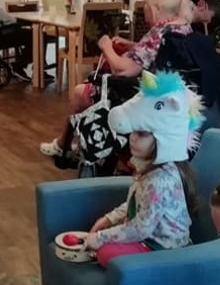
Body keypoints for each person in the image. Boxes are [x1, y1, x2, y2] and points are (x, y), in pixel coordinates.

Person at [39, 0, 194, 157]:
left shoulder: (158, 32)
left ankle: (63, 145)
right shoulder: (182, 29)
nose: (143, 7)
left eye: (144, 2)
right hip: (171, 98)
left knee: (79, 93)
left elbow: (123, 71)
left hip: (140, 96)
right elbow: (154, 54)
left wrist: (106, 46)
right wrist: (131, 45)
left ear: (154, 8)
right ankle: (77, 143)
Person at [83, 71, 202, 267]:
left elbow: (141, 228)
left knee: (106, 253)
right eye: (133, 132)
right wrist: (108, 219)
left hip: (164, 250)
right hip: (149, 239)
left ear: (163, 139)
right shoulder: (149, 168)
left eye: (141, 133)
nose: (132, 138)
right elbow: (136, 204)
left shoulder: (160, 180)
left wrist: (102, 237)